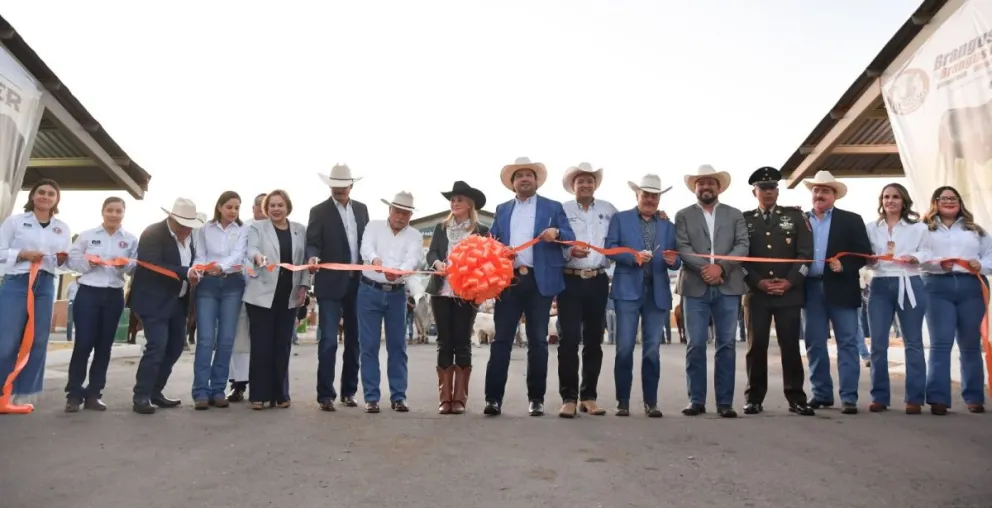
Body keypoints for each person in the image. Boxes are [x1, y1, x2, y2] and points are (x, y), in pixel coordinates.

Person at [483, 157, 575, 417]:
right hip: (509, 282)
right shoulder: (501, 210)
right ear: (512, 184)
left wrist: (557, 233)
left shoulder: (553, 207)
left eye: (529, 175)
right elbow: (492, 242)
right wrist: (501, 252)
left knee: (538, 342)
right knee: (501, 341)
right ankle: (493, 399)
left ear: (536, 181)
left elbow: (569, 237)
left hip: (540, 282)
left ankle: (536, 399)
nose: (524, 179)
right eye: (519, 176)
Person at [674, 165, 749, 418]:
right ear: (695, 188)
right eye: (701, 183)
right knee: (695, 344)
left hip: (728, 287)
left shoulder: (735, 214)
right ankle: (696, 400)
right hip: (695, 286)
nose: (706, 187)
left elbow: (742, 246)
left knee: (726, 344)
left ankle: (725, 402)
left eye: (710, 183)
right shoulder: (683, 215)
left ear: (719, 188)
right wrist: (707, 269)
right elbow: (682, 247)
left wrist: (721, 269)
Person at [740, 166, 815, 416]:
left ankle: (796, 397)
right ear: (754, 192)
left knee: (790, 346)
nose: (768, 192)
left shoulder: (795, 217)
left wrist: (790, 282)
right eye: (763, 188)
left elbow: (806, 256)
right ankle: (754, 398)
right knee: (756, 346)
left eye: (772, 187)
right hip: (756, 294)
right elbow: (739, 258)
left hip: (789, 293)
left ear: (777, 191)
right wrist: (757, 282)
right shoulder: (744, 219)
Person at [605, 174, 680, 417]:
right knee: (624, 348)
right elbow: (610, 249)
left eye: (654, 195)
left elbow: (676, 259)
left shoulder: (668, 225)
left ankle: (651, 402)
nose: (650, 199)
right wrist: (633, 256)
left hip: (657, 293)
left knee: (652, 350)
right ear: (637, 195)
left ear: (659, 198)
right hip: (627, 291)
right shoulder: (620, 219)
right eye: (646, 194)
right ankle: (623, 401)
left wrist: (673, 260)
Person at [801, 170, 872, 415]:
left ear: (834, 195)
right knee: (814, 343)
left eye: (825, 191)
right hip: (810, 288)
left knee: (848, 344)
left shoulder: (851, 220)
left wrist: (846, 265)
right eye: (816, 190)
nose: (819, 194)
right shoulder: (801, 220)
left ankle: (849, 397)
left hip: (842, 288)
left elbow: (864, 253)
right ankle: (821, 394)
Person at [0, 179, 71, 409]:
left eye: (51, 193)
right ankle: (3, 390)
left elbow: (64, 261)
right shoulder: (15, 222)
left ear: (56, 200)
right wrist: (21, 254)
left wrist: (62, 259)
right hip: (17, 282)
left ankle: (26, 392)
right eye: (41, 192)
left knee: (39, 339)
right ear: (32, 196)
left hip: (46, 283)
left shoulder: (62, 228)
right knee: (8, 340)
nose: (45, 196)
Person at [130, 198, 205, 415]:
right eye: (182, 225)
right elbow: (152, 263)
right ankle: (141, 395)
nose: (186, 230)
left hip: (178, 301)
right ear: (172, 218)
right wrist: (185, 273)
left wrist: (194, 273)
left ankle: (156, 391)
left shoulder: (190, 239)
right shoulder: (153, 233)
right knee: (156, 346)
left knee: (174, 346)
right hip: (153, 301)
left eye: (190, 226)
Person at [63, 197, 138, 412]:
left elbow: (135, 268)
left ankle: (94, 393)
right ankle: (74, 394)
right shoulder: (87, 236)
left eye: (118, 211)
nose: (114, 214)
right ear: (102, 212)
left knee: (104, 347)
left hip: (113, 295)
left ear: (124, 213)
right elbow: (71, 261)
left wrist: (126, 265)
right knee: (83, 344)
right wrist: (88, 262)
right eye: (110, 210)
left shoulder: (130, 240)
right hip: (88, 293)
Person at [921, 186, 989, 415]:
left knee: (970, 344)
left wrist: (982, 265)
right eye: (944, 198)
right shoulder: (923, 230)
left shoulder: (975, 230)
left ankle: (974, 397)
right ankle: (938, 398)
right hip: (937, 287)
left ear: (960, 203)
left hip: (971, 287)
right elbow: (916, 257)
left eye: (954, 198)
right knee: (941, 343)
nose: (949, 202)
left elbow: (990, 254)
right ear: (935, 202)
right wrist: (936, 263)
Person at [556, 163, 617, 418]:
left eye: (590, 180)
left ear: (596, 184)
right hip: (569, 280)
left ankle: (589, 397)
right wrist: (569, 251)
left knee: (593, 340)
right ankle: (569, 398)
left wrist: (659, 216)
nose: (585, 184)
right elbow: (553, 240)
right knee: (568, 339)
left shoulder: (609, 210)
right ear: (573, 185)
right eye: (580, 181)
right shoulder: (561, 210)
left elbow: (626, 232)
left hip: (598, 280)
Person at [864, 183, 931, 414]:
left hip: (909, 282)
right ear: (881, 201)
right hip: (880, 283)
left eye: (895, 197)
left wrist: (916, 257)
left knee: (912, 342)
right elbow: (865, 256)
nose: (890, 201)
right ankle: (879, 396)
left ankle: (914, 397)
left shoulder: (919, 228)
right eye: (886, 197)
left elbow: (929, 252)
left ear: (904, 201)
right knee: (878, 343)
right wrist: (870, 260)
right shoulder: (871, 227)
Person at [307, 164, 369, 411]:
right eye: (335, 185)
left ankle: (349, 391)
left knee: (355, 340)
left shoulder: (362, 210)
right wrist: (313, 257)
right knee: (329, 341)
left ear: (351, 186)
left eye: (343, 186)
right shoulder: (318, 211)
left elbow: (366, 242)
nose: (339, 189)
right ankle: (325, 394)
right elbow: (313, 242)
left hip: (358, 283)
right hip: (330, 284)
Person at [425, 181, 489, 414]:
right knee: (444, 342)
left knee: (462, 343)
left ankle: (460, 399)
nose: (455, 203)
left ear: (470, 204)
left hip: (468, 292)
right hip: (442, 291)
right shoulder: (441, 228)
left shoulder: (481, 230)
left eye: (459, 199)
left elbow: (487, 258)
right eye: (452, 200)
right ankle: (445, 398)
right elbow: (431, 252)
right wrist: (437, 263)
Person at [357, 191, 423, 413]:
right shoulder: (373, 226)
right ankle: (371, 397)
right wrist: (375, 260)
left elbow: (413, 258)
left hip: (397, 293)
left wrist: (400, 273)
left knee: (398, 345)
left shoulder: (415, 235)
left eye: (406, 213)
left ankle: (398, 396)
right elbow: (366, 247)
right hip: (369, 290)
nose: (400, 217)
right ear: (390, 210)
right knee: (369, 345)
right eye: (397, 211)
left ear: (410, 215)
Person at [244, 190, 310, 410]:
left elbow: (305, 261)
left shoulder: (300, 230)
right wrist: (257, 257)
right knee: (262, 347)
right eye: (271, 205)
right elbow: (251, 249)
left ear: (287, 206)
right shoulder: (256, 227)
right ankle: (258, 395)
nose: (275, 209)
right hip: (261, 296)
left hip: (288, 296)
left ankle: (281, 394)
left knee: (282, 347)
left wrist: (304, 286)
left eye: (280, 205)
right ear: (266, 208)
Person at [190, 191, 248, 410]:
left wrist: (221, 267)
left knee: (226, 339)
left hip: (233, 284)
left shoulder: (243, 230)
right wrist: (198, 269)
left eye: (237, 208)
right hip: (208, 285)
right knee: (205, 338)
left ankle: (218, 389)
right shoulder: (204, 229)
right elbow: (200, 255)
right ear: (220, 207)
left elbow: (239, 256)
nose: (233, 211)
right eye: (229, 207)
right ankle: (200, 391)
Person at [229, 192, 267, 402]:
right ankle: (239, 384)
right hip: (243, 289)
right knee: (240, 339)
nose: (263, 209)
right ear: (253, 209)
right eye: (259, 205)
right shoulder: (243, 229)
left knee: (264, 340)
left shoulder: (278, 229)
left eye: (266, 205)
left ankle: (264, 385)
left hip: (268, 292)